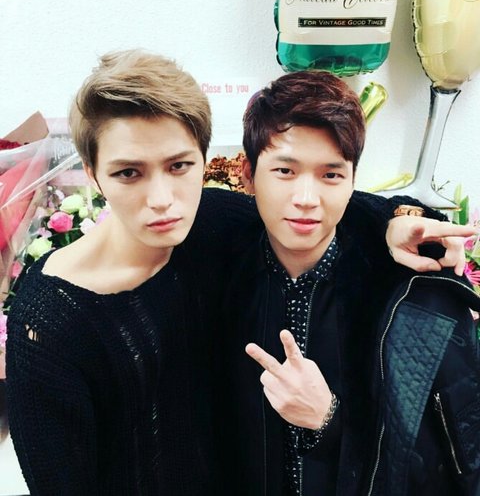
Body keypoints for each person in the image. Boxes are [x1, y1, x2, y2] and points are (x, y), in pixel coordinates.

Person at [4, 50, 475, 496]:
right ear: (92, 173)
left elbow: (314, 205)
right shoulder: (48, 322)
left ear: (206, 162)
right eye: (129, 172)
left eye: (179, 166)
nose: (162, 199)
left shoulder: (210, 223)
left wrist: (398, 217)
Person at [219, 70, 480, 496]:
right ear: (247, 175)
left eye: (331, 175)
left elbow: (449, 463)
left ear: (354, 179)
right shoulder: (214, 272)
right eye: (284, 170)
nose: (307, 199)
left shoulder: (409, 294)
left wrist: (329, 420)